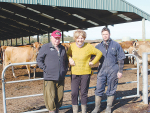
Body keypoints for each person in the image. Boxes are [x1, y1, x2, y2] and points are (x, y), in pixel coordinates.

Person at [67, 29, 103, 113]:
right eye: (78, 38)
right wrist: (69, 59)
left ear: (84, 38)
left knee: (83, 93)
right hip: (75, 73)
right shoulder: (72, 46)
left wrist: (93, 62)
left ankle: (83, 111)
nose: (80, 40)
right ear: (75, 38)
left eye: (82, 38)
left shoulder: (88, 46)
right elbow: (68, 54)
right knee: (74, 93)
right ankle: (75, 111)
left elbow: (99, 53)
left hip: (85, 73)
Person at [92, 27, 126, 113]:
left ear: (109, 34)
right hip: (101, 70)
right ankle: (97, 108)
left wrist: (120, 71)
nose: (105, 36)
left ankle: (108, 108)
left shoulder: (116, 45)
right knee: (99, 88)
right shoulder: (98, 46)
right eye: (103, 34)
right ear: (101, 35)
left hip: (113, 70)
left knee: (111, 88)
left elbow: (121, 58)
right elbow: (92, 57)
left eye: (106, 34)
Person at [36, 30, 68, 113]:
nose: (57, 40)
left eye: (58, 38)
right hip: (49, 78)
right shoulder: (45, 47)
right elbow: (39, 60)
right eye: (55, 38)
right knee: (51, 101)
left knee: (59, 99)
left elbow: (65, 60)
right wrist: (46, 69)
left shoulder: (62, 48)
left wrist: (64, 70)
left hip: (60, 78)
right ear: (51, 38)